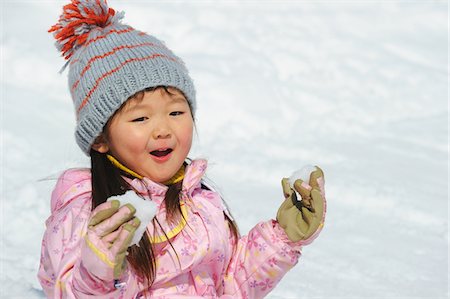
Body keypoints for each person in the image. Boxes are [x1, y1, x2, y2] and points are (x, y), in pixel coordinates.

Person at [38, 1, 327, 298]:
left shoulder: (200, 201)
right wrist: (97, 273)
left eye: (176, 112)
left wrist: (282, 238)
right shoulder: (91, 215)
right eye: (140, 118)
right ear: (100, 138)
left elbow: (229, 285)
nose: (163, 129)